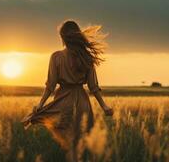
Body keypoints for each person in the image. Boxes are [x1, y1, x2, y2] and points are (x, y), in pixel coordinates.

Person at [22, 20, 113, 161]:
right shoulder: (86, 57)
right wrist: (104, 106)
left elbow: (50, 86)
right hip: (83, 103)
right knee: (82, 141)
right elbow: (93, 87)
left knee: (69, 141)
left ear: (62, 38)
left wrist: (41, 104)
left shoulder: (56, 57)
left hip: (63, 101)